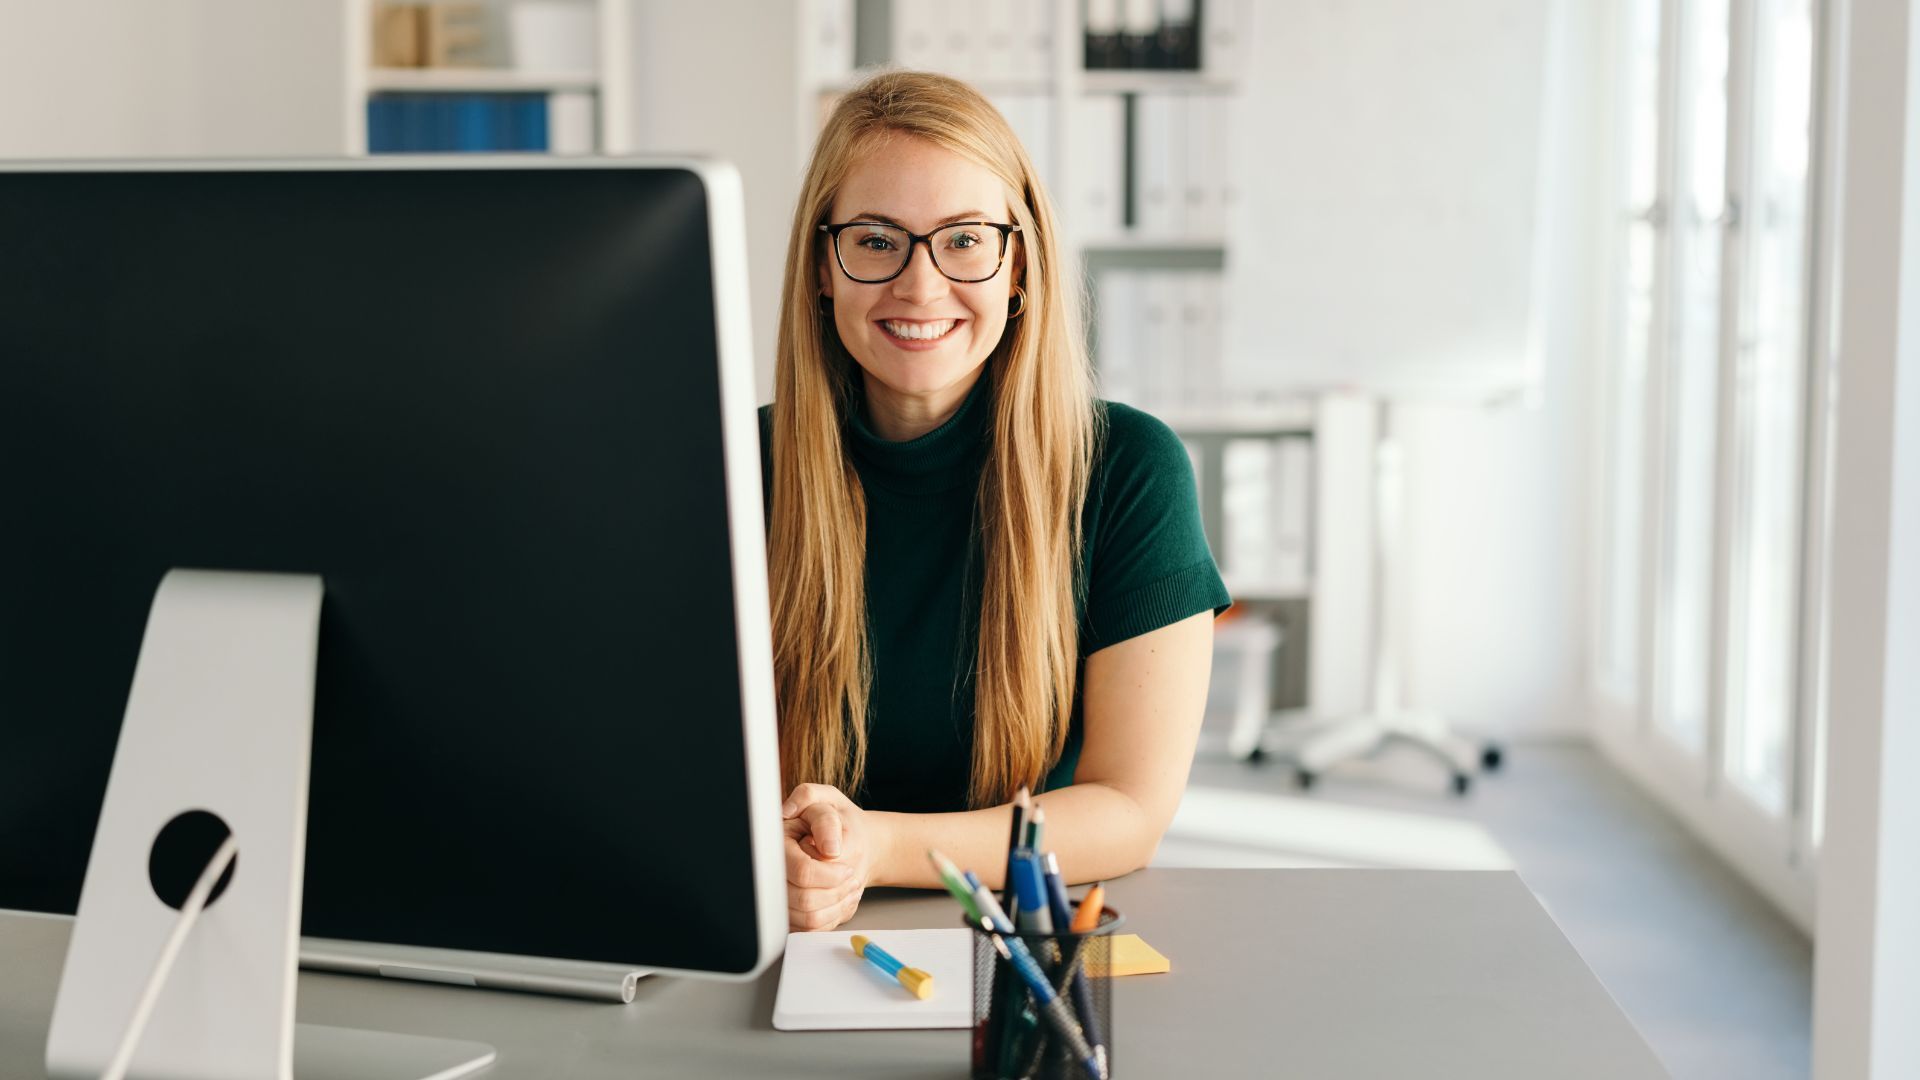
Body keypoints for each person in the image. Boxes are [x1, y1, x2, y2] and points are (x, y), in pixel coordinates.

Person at [764, 70, 1230, 932]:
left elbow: (1130, 812)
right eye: (875, 239)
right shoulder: (733, 469)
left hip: (1022, 947)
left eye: (965, 239)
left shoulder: (1127, 470)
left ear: (1018, 265)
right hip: (784, 936)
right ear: (822, 269)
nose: (919, 284)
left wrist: (874, 850)